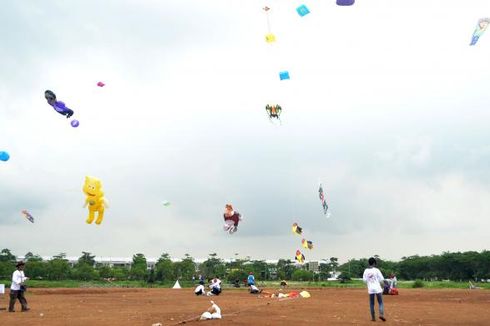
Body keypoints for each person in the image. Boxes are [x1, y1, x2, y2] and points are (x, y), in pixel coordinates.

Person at [363, 257, 386, 322]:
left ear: (368, 263)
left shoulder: (366, 271)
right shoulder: (376, 270)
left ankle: (373, 318)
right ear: (374, 263)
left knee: (372, 304)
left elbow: (364, 281)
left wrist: (368, 284)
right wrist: (383, 287)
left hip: (371, 289)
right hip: (377, 288)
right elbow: (381, 280)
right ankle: (381, 314)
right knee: (380, 302)